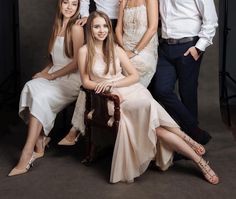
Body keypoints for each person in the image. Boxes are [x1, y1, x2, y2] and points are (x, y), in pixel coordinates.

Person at [70, 10, 219, 184]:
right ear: (90, 29)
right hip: (111, 99)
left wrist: (114, 84)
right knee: (155, 120)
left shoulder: (116, 49)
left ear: (109, 29)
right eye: (97, 27)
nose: (101, 30)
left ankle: (198, 159)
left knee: (155, 120)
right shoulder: (84, 51)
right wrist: (104, 87)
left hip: (131, 90)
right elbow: (86, 82)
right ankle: (190, 144)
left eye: (105, 26)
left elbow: (134, 76)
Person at [8, 0, 84, 176]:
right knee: (30, 86)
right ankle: (40, 139)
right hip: (54, 72)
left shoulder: (76, 28)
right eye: (66, 2)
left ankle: (28, 152)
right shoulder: (57, 25)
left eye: (74, 4)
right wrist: (43, 73)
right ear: (60, 4)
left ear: (78, 8)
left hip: (71, 79)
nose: (69, 7)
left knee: (40, 96)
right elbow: (54, 59)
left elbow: (75, 62)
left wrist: (50, 77)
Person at [150, 0, 218, 145]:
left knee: (188, 94)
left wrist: (198, 48)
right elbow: (160, 18)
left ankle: (189, 143)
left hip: (188, 47)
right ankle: (195, 132)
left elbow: (211, 20)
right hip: (165, 46)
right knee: (160, 89)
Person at [115, 0, 158, 87]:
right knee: (104, 67)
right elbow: (118, 29)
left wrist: (134, 52)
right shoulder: (124, 1)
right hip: (125, 47)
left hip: (143, 51)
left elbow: (152, 28)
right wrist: (123, 50)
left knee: (128, 72)